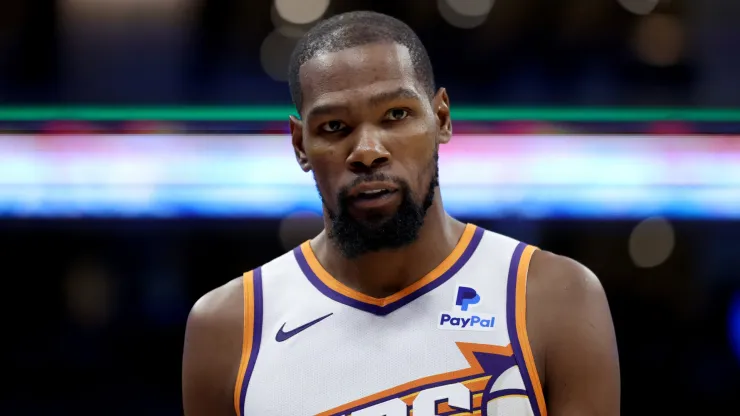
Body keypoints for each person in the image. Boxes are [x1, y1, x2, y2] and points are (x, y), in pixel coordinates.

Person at [182, 11, 620, 416]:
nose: (368, 151)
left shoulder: (554, 297)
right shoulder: (227, 327)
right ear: (300, 144)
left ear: (442, 118)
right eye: (335, 126)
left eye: (395, 115)